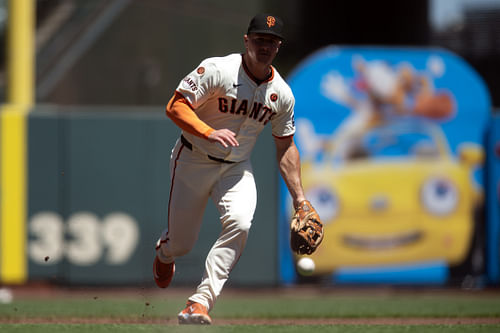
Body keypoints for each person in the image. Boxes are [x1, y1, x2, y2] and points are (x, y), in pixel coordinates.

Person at [153, 13, 310, 325]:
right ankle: (165, 251)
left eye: (272, 41)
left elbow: (286, 147)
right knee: (182, 245)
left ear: (278, 47)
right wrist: (208, 132)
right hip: (193, 157)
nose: (265, 45)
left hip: (237, 167)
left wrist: (300, 200)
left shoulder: (282, 94)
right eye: (260, 39)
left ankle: (200, 302)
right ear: (246, 40)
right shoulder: (218, 69)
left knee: (240, 222)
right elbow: (176, 105)